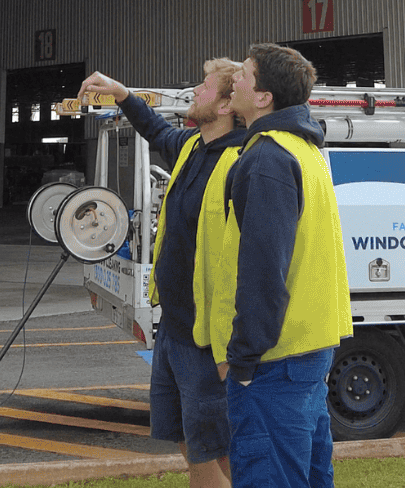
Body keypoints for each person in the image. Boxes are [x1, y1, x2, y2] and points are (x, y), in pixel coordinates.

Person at [77, 61, 247, 488]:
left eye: (204, 86)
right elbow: (154, 129)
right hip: (174, 324)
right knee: (188, 439)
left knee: (218, 446)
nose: (195, 90)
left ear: (226, 105)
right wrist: (121, 92)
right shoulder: (191, 146)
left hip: (207, 335)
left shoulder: (241, 162)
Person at [211, 43, 352, 488]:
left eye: (245, 74)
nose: (235, 79)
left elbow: (263, 270)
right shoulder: (305, 151)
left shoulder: (266, 158)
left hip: (273, 361)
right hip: (307, 350)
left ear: (263, 97)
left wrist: (242, 359)